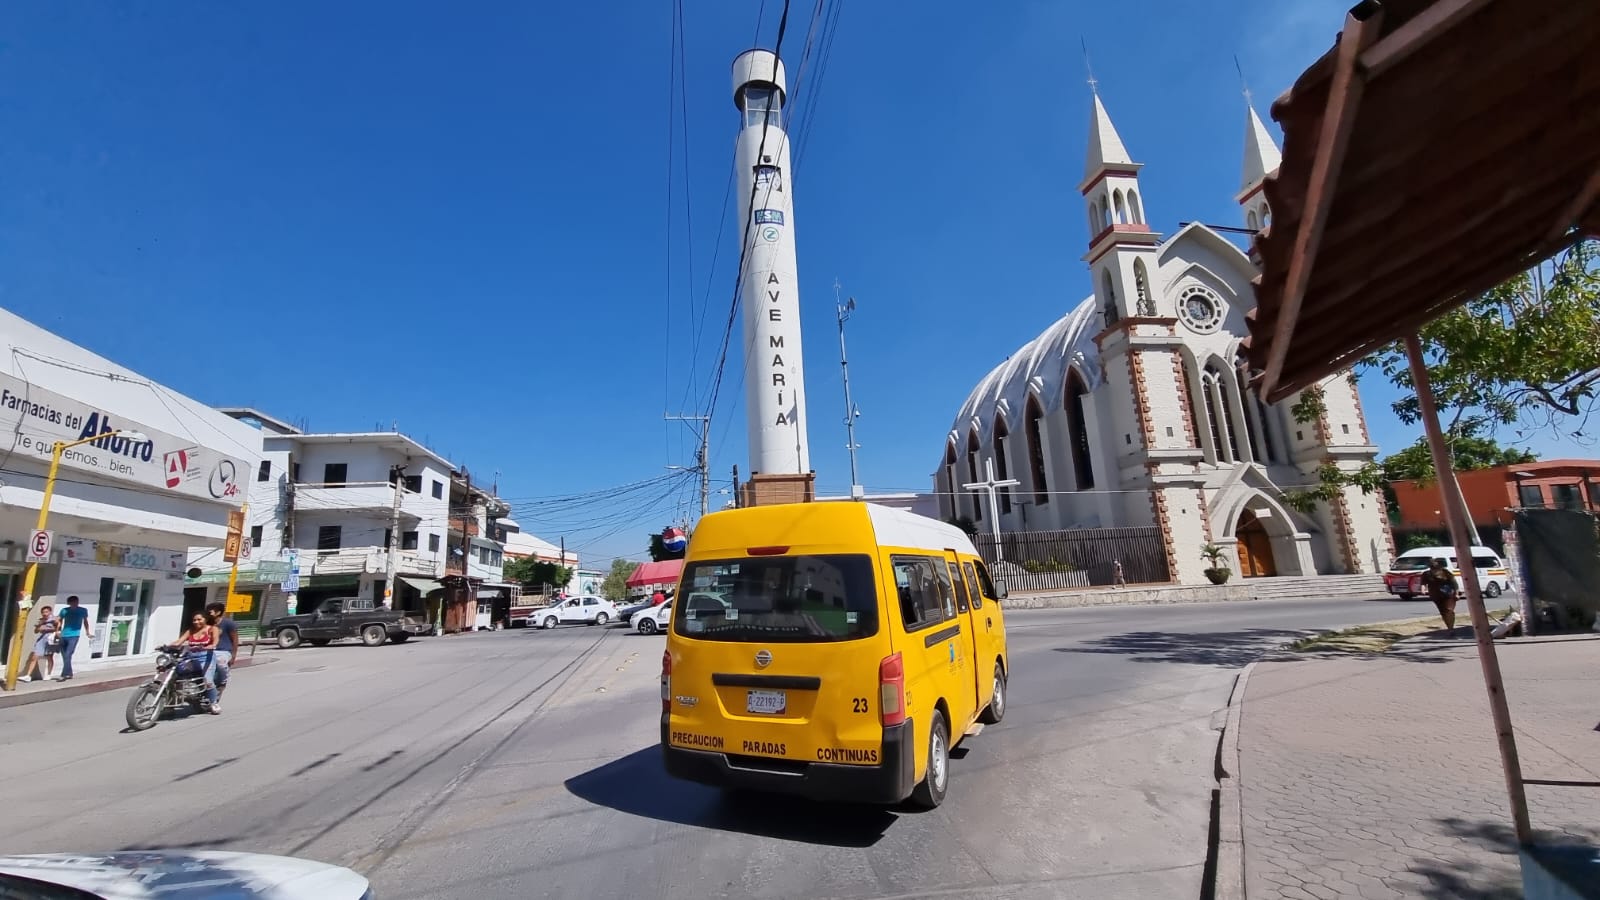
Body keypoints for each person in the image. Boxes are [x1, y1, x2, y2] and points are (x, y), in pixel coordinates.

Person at [174, 612, 219, 713]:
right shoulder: (191, 630)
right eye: (194, 620)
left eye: (199, 619)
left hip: (206, 657)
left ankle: (214, 703)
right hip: (191, 658)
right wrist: (167, 646)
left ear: (205, 619)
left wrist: (212, 645)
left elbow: (216, 640)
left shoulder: (212, 629)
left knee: (208, 681)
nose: (196, 622)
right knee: (175, 675)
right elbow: (179, 641)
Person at [204, 601, 239, 713]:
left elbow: (235, 640)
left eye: (211, 611)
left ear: (218, 612)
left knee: (220, 663)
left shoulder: (228, 623)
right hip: (206, 650)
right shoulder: (204, 623)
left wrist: (233, 655)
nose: (208, 613)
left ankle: (222, 682)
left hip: (223, 651)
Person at [55, 596, 92, 682]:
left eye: (76, 602)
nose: (74, 604)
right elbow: (59, 620)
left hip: (74, 635)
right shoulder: (64, 610)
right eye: (72, 602)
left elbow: (85, 621)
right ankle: (70, 673)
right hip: (64, 635)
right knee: (65, 656)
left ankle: (63, 675)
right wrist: (57, 630)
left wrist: (87, 632)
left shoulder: (83, 610)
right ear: (69, 603)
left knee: (68, 654)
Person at [1423, 557, 1460, 635]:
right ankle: (1450, 628)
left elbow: (1454, 584)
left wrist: (1457, 593)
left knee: (1449, 610)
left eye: (1436, 568)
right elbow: (1423, 583)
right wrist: (1423, 589)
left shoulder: (1446, 572)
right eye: (1432, 568)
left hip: (1449, 594)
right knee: (1443, 612)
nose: (1434, 570)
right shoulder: (1426, 574)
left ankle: (1451, 628)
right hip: (1436, 595)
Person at [21, 604, 58, 683]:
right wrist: (40, 626)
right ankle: (28, 675)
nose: (45, 614)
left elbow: (58, 628)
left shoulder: (54, 619)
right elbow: (36, 631)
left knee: (49, 656)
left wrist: (48, 628)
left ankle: (48, 674)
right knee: (35, 656)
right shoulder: (41, 620)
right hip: (41, 639)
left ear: (50, 612)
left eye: (46, 612)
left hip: (50, 639)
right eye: (43, 612)